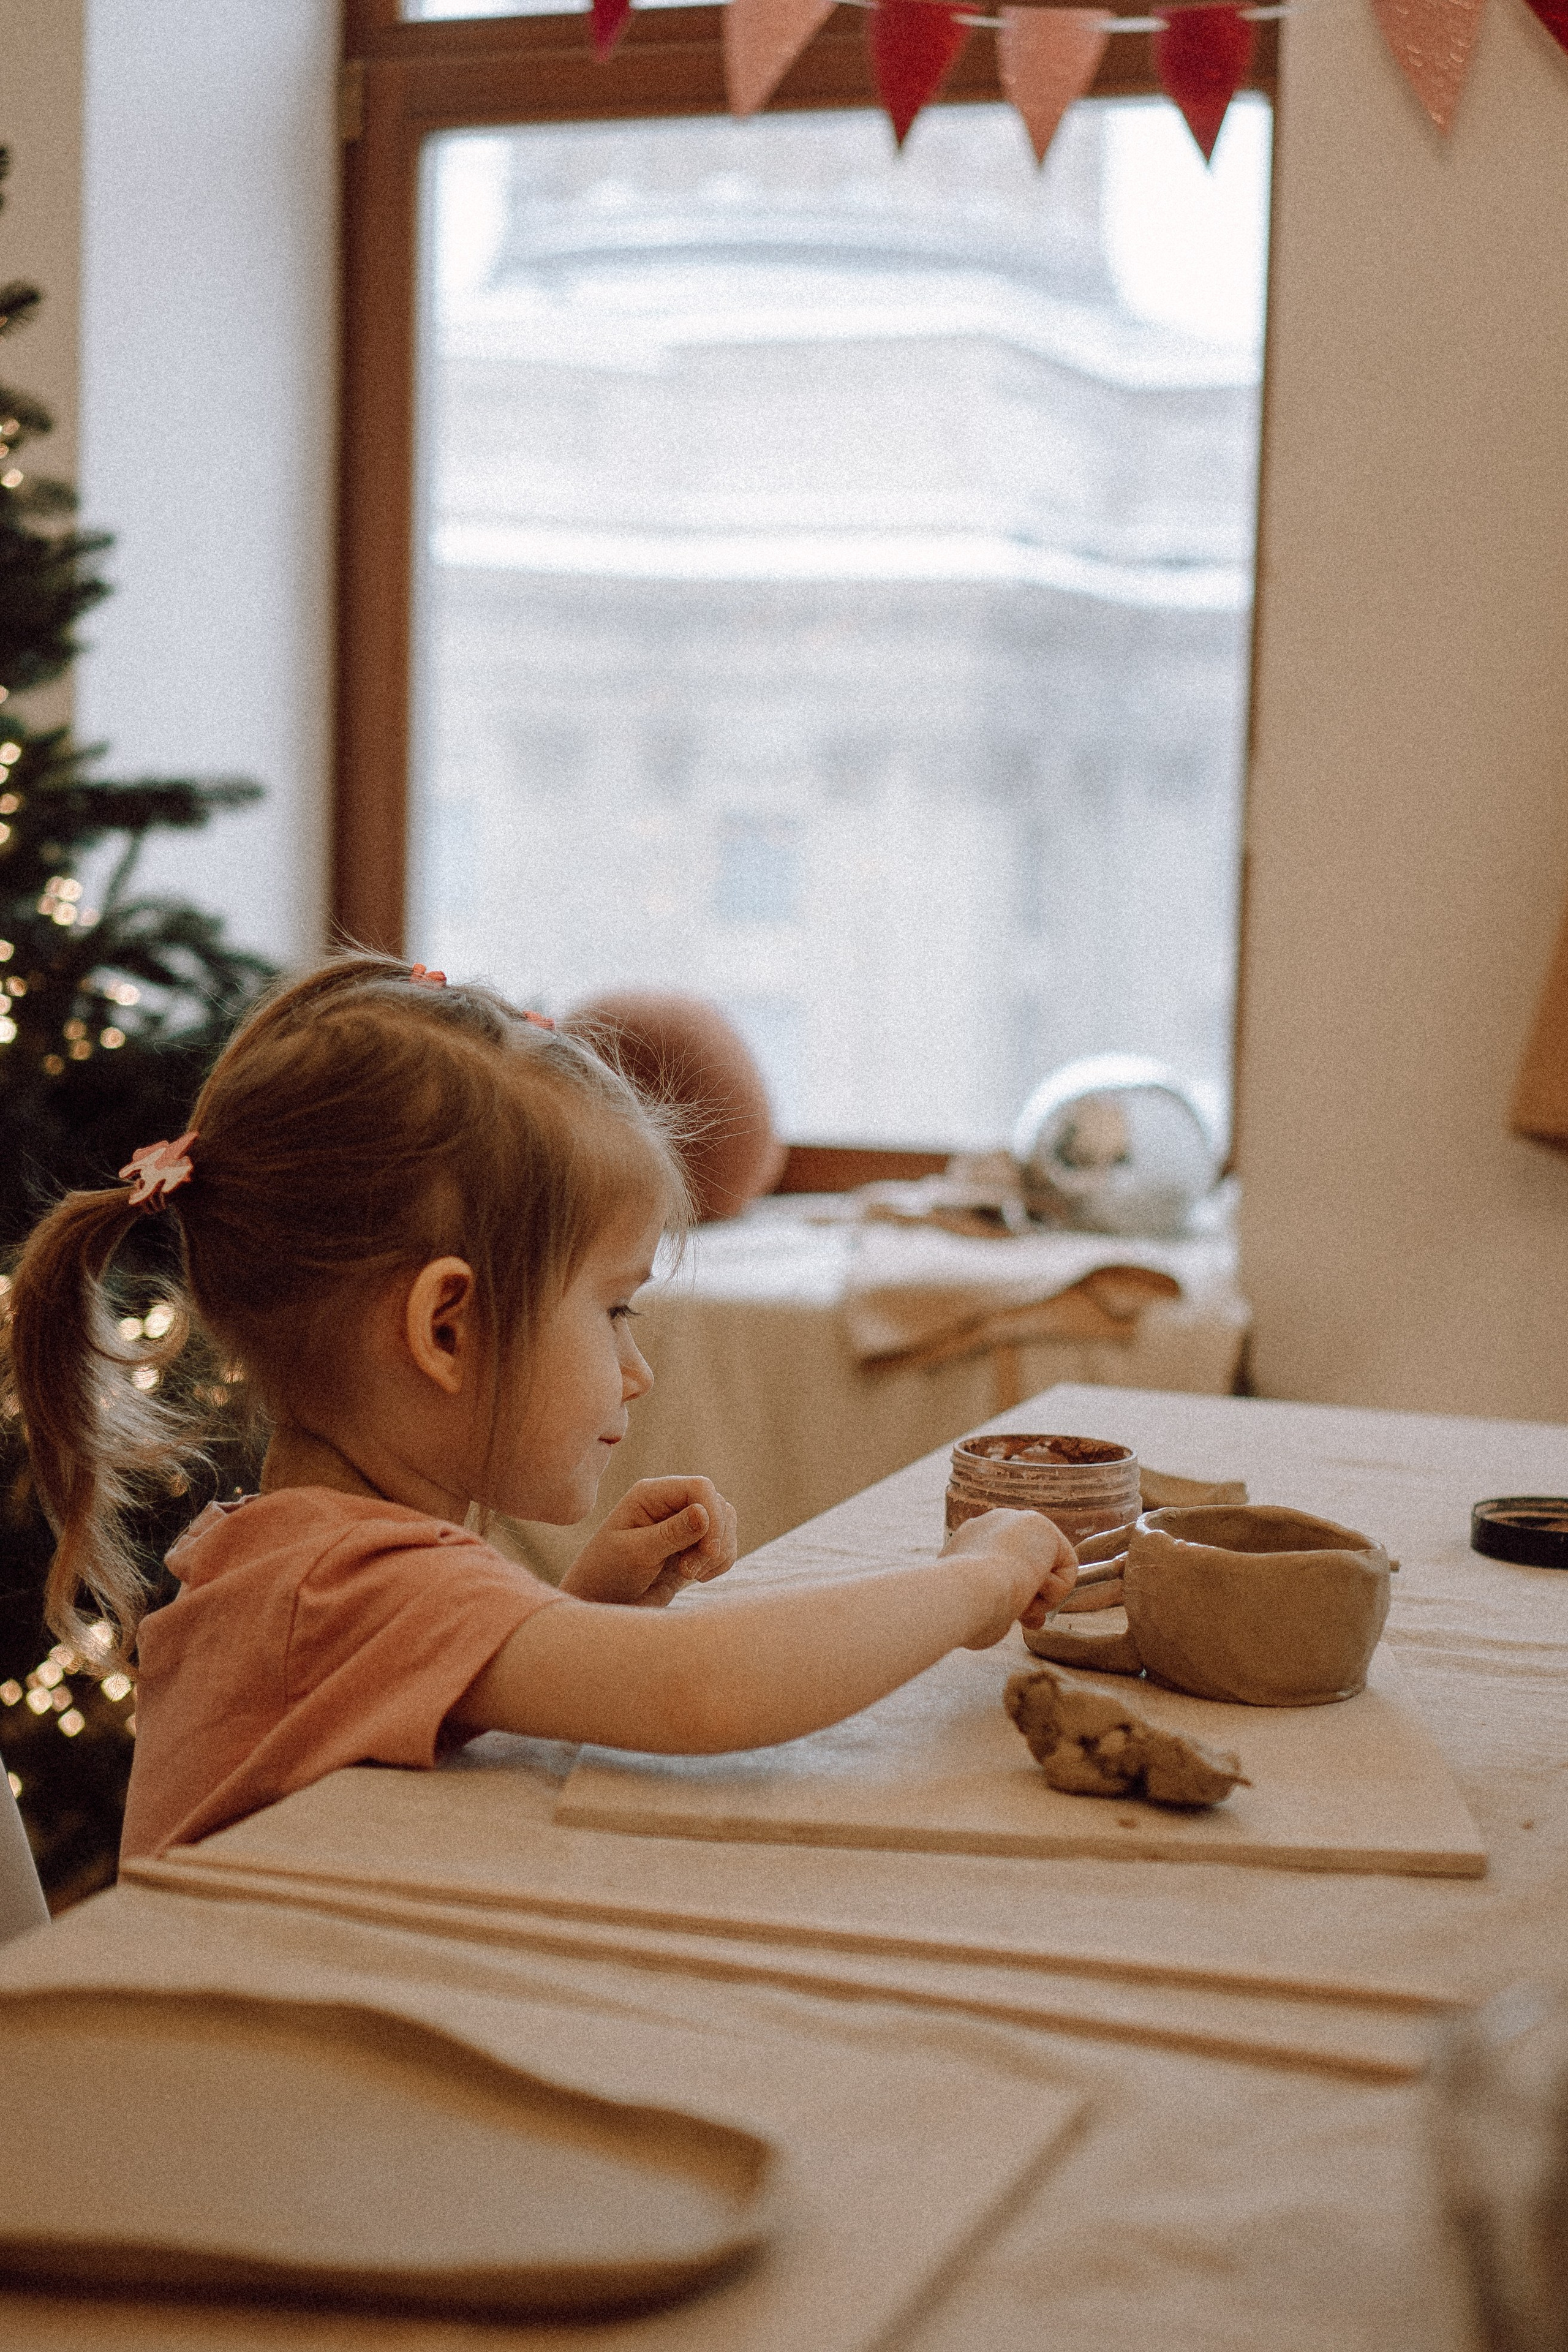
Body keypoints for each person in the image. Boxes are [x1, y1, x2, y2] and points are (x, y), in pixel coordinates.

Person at [3, 956, 1077, 1861]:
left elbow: (424, 1736)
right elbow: (707, 1692)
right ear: (447, 1330)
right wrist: (975, 1583)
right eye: (614, 1309)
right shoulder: (347, 1584)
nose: (636, 1369)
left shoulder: (307, 1558)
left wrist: (583, 1607)